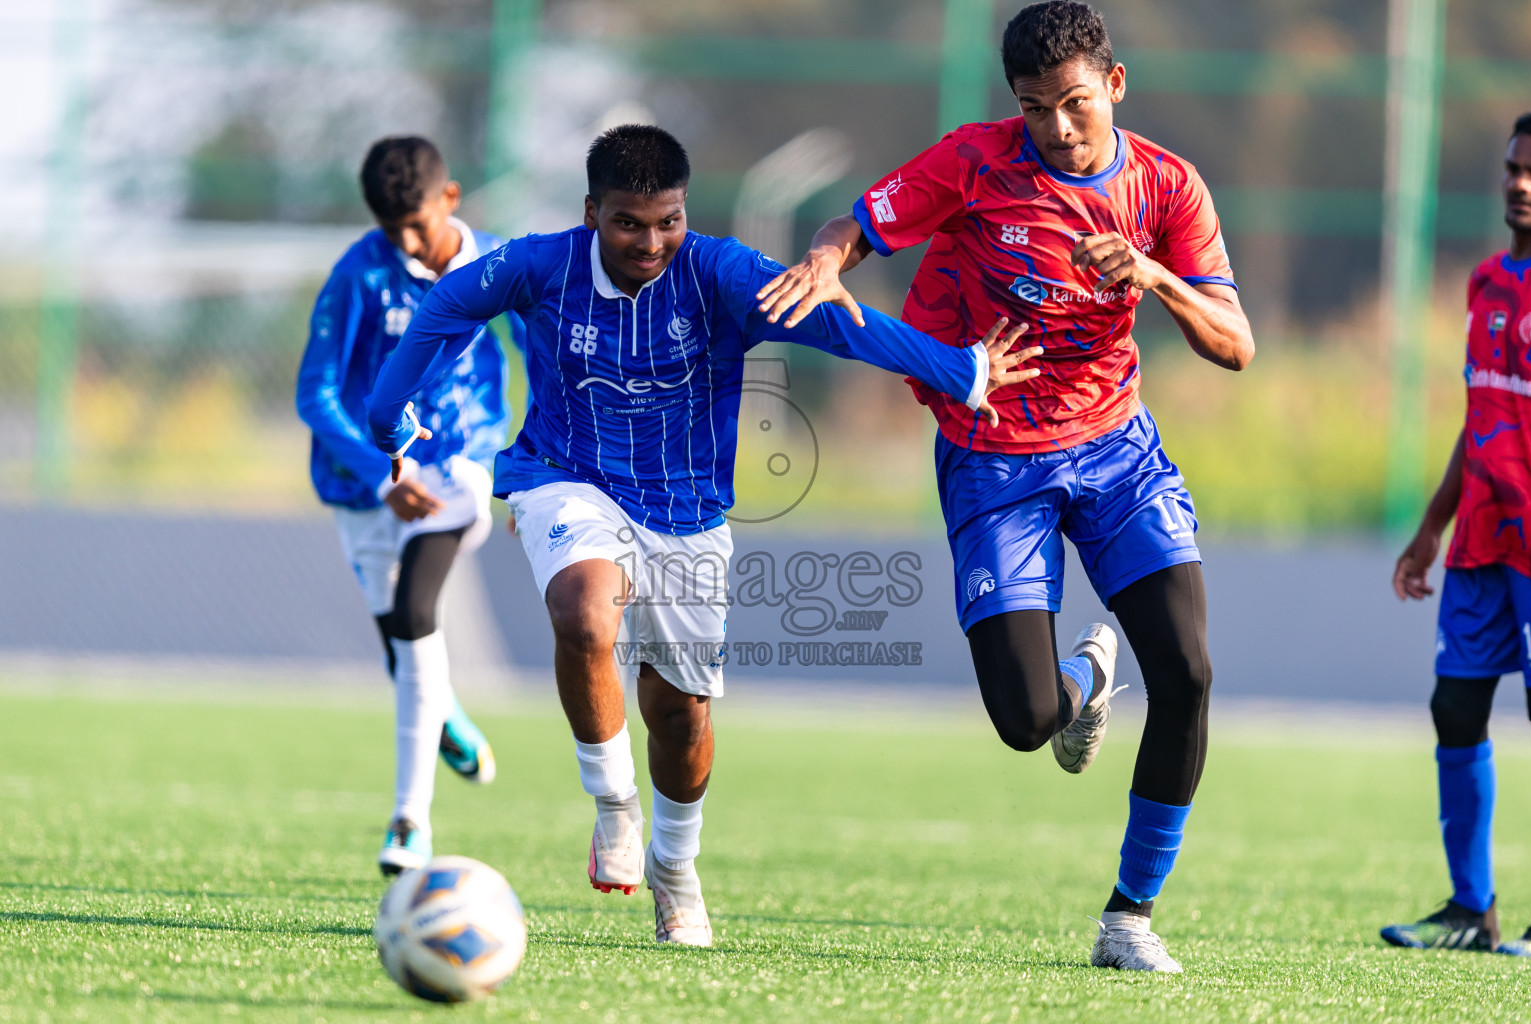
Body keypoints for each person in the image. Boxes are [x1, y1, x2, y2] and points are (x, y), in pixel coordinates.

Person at [366, 124, 1034, 946]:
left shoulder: (721, 273)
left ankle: (675, 870)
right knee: (584, 613)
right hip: (564, 475)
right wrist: (385, 411)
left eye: (667, 222)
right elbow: (444, 305)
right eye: (628, 224)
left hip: (687, 511)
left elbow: (840, 327)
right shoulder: (542, 266)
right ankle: (613, 805)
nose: (650, 242)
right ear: (591, 213)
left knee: (680, 715)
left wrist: (960, 370)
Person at [757, 1, 1254, 972]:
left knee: (1190, 672)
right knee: (1028, 722)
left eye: (1074, 104)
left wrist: (1151, 274)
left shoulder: (1167, 187)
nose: (1059, 129)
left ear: (1113, 85)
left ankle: (1130, 916)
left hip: (1118, 452)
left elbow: (1235, 345)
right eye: (1036, 109)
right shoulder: (977, 161)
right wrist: (823, 259)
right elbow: (852, 224)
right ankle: (1080, 685)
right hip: (993, 458)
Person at [295, 135, 520, 876]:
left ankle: (408, 822)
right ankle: (445, 713)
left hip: (461, 464)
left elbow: (547, 355)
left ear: (450, 199)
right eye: (394, 231)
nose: (410, 243)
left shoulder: (501, 265)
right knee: (401, 638)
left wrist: (532, 460)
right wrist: (382, 471)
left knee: (417, 614)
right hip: (365, 483)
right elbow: (316, 393)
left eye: (419, 224)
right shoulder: (358, 275)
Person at [1382, 113, 1531, 958]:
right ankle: (1472, 911)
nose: (1521, 183)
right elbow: (1482, 415)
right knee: (1455, 708)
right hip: (1481, 539)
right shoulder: (1486, 283)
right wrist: (1430, 528)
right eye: (1515, 168)